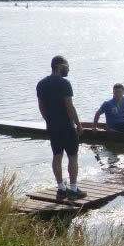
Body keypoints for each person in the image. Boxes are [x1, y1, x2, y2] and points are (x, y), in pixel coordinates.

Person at [36, 55, 86, 199]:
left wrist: (49, 121)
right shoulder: (64, 83)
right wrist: (79, 124)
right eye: (67, 66)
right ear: (59, 66)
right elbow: (69, 106)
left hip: (52, 127)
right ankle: (73, 189)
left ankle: (61, 188)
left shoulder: (41, 84)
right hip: (67, 127)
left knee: (57, 156)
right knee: (73, 157)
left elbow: (41, 106)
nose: (68, 69)